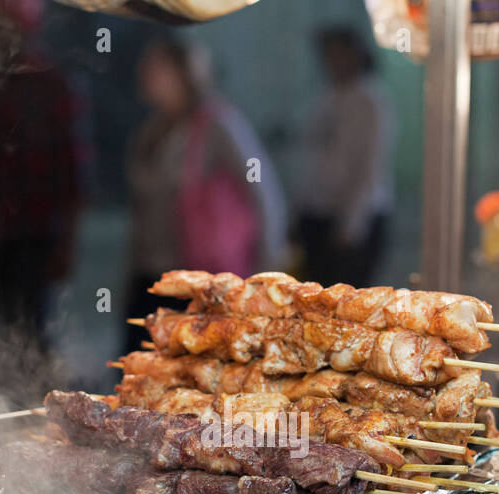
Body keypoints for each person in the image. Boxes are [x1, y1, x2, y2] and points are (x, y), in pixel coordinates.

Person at [123, 39, 286, 349]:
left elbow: (265, 196)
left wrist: (262, 282)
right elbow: (140, 212)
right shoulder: (148, 132)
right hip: (148, 277)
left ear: (184, 73)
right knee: (138, 371)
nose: (145, 73)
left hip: (199, 283)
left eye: (157, 67)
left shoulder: (219, 125)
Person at [0, 0, 87, 350]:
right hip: (7, 236)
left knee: (35, 329)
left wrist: (67, 242)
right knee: (7, 329)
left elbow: (73, 173)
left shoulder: (53, 87)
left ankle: (37, 391)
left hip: (41, 233)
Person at [296, 26, 396, 288]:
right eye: (328, 55)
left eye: (340, 54)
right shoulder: (326, 97)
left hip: (354, 221)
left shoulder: (370, 100)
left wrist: (350, 227)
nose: (333, 61)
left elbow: (369, 168)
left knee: (348, 305)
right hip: (318, 213)